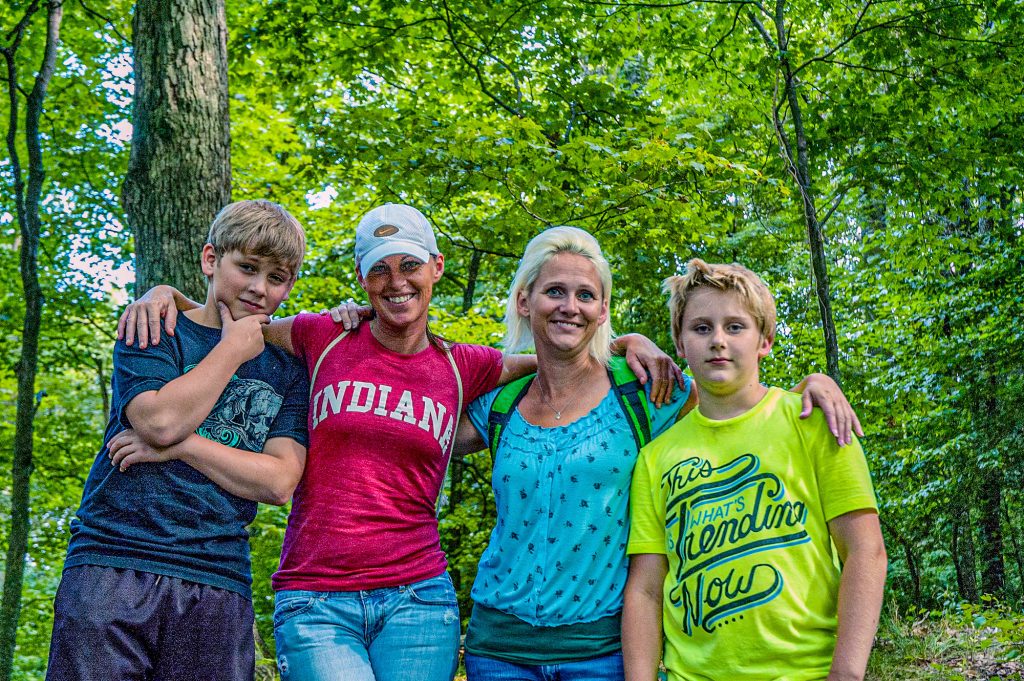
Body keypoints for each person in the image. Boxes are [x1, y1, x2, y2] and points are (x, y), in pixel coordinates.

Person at [116, 204, 678, 681]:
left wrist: (625, 340)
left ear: (436, 268)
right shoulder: (324, 336)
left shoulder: (464, 366)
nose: (396, 280)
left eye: (410, 264)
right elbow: (237, 324)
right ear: (364, 280)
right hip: (316, 595)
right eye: (379, 269)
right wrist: (167, 295)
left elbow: (563, 353)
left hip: (420, 597)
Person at [452, 230, 862, 681]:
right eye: (554, 292)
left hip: (600, 649)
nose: (570, 305)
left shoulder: (644, 391)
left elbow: (738, 403)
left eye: (585, 295)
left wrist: (812, 386)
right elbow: (416, 431)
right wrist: (369, 333)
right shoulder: (501, 404)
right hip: (499, 647)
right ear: (524, 302)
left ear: (602, 309)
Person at [46, 200, 311, 681]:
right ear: (211, 260)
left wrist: (182, 447)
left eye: (276, 277)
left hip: (217, 575)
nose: (258, 288)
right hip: (113, 560)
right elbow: (159, 421)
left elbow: (277, 482)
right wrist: (231, 351)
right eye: (247, 268)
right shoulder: (155, 325)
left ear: (290, 286)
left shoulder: (290, 371)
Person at [623, 260, 887, 681]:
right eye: (702, 327)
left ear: (764, 340)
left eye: (736, 327)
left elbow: (865, 552)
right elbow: (646, 589)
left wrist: (847, 674)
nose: (718, 341)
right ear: (678, 341)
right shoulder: (656, 458)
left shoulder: (816, 421)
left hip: (808, 671)